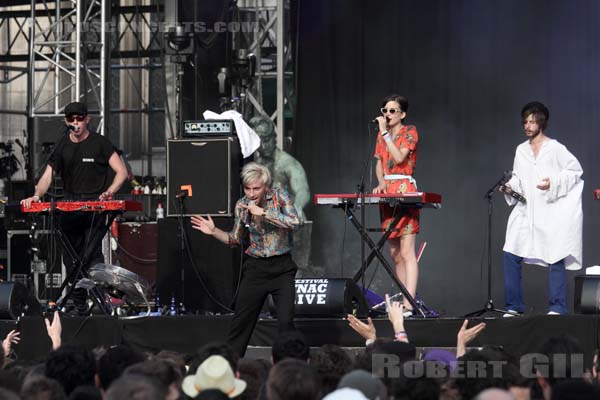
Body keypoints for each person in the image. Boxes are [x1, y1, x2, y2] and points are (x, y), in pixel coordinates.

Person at [21, 102, 128, 314]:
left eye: (79, 119)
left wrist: (110, 192)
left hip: (95, 207)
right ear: (66, 121)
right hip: (69, 206)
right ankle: (79, 304)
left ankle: (99, 300)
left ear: (87, 119)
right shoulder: (62, 146)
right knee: (70, 258)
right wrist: (36, 196)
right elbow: (47, 177)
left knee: (92, 255)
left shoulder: (100, 143)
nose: (76, 123)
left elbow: (122, 172)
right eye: (71, 119)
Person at [191, 162, 301, 357]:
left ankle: (288, 367)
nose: (251, 194)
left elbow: (295, 222)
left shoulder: (279, 196)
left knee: (286, 323)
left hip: (282, 268)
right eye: (248, 188)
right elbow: (234, 239)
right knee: (241, 323)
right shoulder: (242, 205)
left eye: (256, 188)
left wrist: (265, 213)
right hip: (256, 269)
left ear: (265, 186)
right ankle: (230, 367)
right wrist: (214, 231)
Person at [501, 101, 583, 316]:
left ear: (542, 123)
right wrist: (510, 188)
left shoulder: (554, 148)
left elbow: (574, 171)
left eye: (532, 121)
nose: (527, 126)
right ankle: (513, 305)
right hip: (526, 211)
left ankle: (557, 307)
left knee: (555, 255)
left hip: (550, 209)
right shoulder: (521, 150)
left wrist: (553, 182)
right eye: (525, 122)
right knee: (511, 252)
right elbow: (518, 178)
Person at [372, 94, 420, 314]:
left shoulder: (410, 131)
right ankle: (402, 299)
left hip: (404, 190)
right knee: (395, 252)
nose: (388, 115)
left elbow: (399, 158)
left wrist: (384, 133)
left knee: (407, 250)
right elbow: (380, 162)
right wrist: (380, 182)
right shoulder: (382, 136)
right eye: (385, 111)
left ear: (402, 114)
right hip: (387, 193)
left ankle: (410, 303)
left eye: (392, 111)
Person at [250, 116, 310, 222]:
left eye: (266, 140)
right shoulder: (256, 165)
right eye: (258, 142)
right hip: (266, 222)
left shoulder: (288, 163)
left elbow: (303, 191)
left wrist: (297, 207)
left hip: (289, 220)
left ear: (274, 137)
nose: (263, 147)